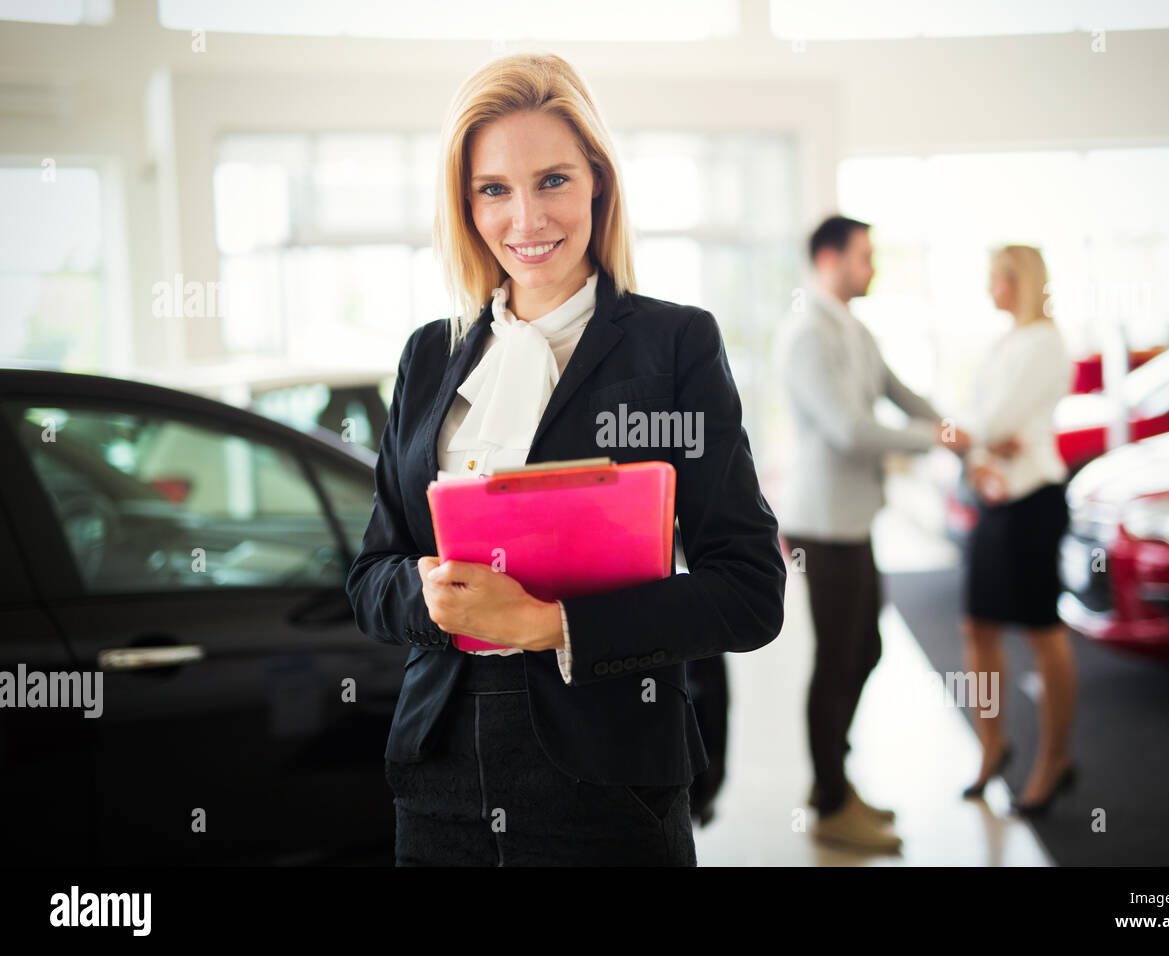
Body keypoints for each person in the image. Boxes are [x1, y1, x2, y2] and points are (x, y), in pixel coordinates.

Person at [345, 52, 786, 866]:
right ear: (465, 203)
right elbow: (370, 577)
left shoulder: (675, 344)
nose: (526, 219)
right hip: (441, 776)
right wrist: (428, 596)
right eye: (494, 190)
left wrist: (551, 625)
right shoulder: (429, 357)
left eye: (553, 181)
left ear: (597, 185)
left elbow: (751, 592)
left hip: (606, 778)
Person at [777, 215, 970, 852]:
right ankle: (831, 802)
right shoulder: (808, 332)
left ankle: (832, 776)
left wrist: (953, 430)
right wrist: (937, 440)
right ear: (830, 259)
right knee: (839, 659)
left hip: (851, 518)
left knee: (865, 650)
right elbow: (849, 429)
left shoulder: (851, 326)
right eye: (865, 255)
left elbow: (898, 393)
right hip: (821, 523)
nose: (874, 266)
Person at [957, 244, 1078, 816]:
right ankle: (992, 746)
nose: (989, 289)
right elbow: (982, 421)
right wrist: (982, 442)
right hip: (996, 501)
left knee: (1041, 631)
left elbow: (995, 420)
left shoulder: (1044, 343)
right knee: (977, 626)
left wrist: (980, 436)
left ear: (1018, 281)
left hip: (1033, 502)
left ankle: (1053, 760)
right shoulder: (1004, 341)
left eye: (995, 279)